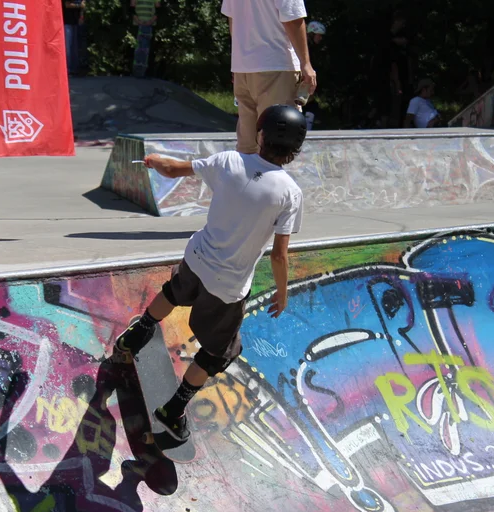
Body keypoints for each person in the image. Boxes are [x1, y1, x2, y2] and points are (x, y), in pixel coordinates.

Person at [114, 105, 305, 441]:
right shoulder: (289, 193)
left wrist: (156, 160)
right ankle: (173, 410)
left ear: (260, 135)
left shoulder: (228, 161)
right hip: (228, 286)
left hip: (198, 256)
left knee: (175, 290)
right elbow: (279, 254)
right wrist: (282, 291)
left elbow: (174, 170)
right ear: (296, 149)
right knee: (221, 352)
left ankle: (135, 336)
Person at [222, 0, 317, 154]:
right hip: (276, 65)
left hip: (243, 68)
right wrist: (305, 64)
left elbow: (233, 18)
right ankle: (270, 177)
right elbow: (292, 19)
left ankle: (246, 177)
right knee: (277, 143)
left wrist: (238, 60)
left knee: (247, 146)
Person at [63, 1, 87, 76]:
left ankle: (75, 68)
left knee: (74, 47)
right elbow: (67, 5)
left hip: (76, 21)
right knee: (69, 47)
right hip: (67, 21)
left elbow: (83, 4)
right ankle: (68, 69)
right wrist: (79, 5)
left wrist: (81, 17)